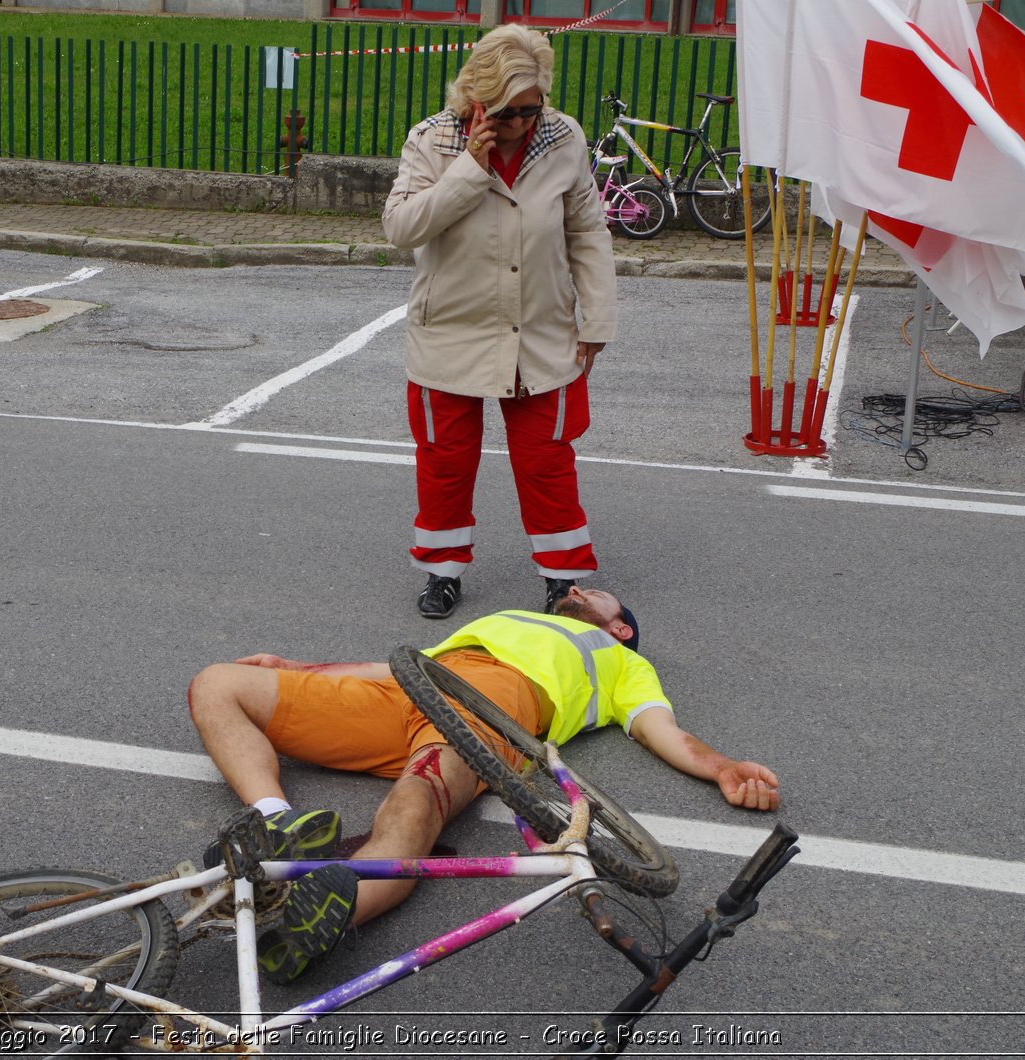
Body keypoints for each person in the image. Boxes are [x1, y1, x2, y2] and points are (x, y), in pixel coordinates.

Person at [187, 586, 779, 984]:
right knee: (217, 682)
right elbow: (400, 664)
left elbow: (662, 731)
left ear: (620, 626)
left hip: (482, 717)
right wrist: (298, 670)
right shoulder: (509, 620)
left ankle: (324, 920)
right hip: (406, 689)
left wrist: (723, 766)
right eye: (571, 590)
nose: (572, 591)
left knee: (414, 806)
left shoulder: (623, 662)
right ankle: (273, 817)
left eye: (591, 591)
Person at [383, 24, 619, 621]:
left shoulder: (563, 137)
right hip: (450, 334)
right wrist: (469, 167)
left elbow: (587, 232)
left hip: (540, 333)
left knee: (547, 461)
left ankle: (563, 581)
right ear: (477, 103)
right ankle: (442, 572)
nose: (523, 123)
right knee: (445, 460)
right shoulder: (433, 141)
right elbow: (402, 228)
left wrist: (596, 318)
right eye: (509, 112)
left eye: (532, 109)